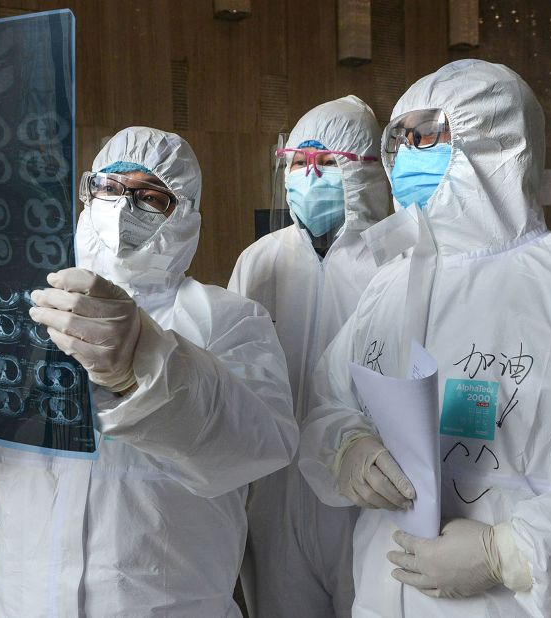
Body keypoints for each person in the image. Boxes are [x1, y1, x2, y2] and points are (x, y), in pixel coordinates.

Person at [0, 126, 299, 617]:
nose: (123, 206)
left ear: (187, 214)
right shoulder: (18, 311)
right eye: (108, 188)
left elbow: (254, 448)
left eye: (150, 197)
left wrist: (142, 362)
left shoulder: (226, 318)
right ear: (87, 195)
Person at [299, 59, 551, 617]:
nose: (406, 157)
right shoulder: (391, 286)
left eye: (427, 137)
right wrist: (348, 447)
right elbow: (329, 400)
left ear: (493, 142)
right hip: (382, 586)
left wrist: (511, 552)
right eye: (398, 142)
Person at [228, 95, 391, 617]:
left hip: (367, 496)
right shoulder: (261, 261)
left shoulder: (399, 261)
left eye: (327, 163)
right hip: (272, 497)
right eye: (300, 162)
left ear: (364, 173)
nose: (310, 175)